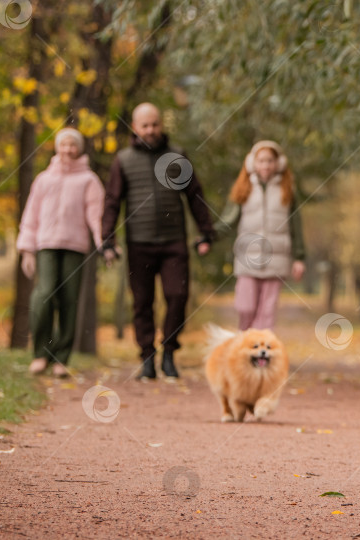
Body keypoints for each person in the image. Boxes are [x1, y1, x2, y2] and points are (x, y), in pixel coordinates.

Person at [101, 103, 216, 380]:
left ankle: (169, 353)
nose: (150, 130)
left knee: (177, 296)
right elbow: (112, 201)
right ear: (135, 127)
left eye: (155, 124)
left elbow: (194, 195)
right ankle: (147, 358)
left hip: (173, 241)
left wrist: (205, 232)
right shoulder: (123, 160)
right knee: (142, 303)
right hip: (138, 243)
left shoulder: (177, 155)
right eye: (145, 125)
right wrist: (107, 240)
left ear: (161, 125)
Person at [16, 128, 105, 377]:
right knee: (43, 296)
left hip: (74, 247)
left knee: (68, 301)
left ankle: (60, 358)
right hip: (45, 245)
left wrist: (103, 244)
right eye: (63, 145)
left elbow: (96, 217)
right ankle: (40, 354)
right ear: (56, 147)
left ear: (79, 149)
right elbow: (30, 216)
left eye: (72, 145)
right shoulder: (44, 179)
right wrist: (27, 250)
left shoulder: (89, 180)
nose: (68, 150)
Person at [214, 140, 305, 330]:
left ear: (278, 163)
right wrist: (209, 235)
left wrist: (299, 258)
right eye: (261, 161)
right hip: (248, 259)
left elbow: (296, 227)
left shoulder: (287, 190)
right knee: (245, 308)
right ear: (253, 163)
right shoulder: (243, 188)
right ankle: (245, 348)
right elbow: (228, 220)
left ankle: (262, 357)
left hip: (276, 260)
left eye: (270, 161)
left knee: (267, 313)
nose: (266, 165)